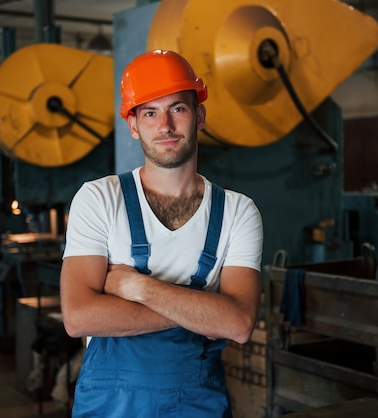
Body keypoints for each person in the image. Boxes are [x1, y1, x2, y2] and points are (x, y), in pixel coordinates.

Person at [60, 49, 264, 417]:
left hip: (197, 404)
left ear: (199, 115)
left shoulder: (238, 212)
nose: (165, 126)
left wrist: (137, 288)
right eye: (150, 112)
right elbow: (78, 317)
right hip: (110, 405)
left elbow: (239, 324)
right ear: (133, 124)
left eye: (178, 109)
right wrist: (202, 311)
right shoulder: (99, 199)